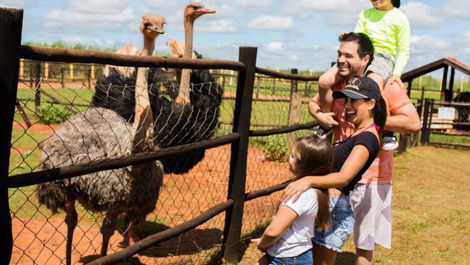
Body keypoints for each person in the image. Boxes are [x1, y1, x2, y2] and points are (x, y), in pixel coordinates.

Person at [284, 32, 421, 265]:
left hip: (373, 175)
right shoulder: (339, 84)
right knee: (326, 235)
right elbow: (314, 102)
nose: (340, 60)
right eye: (339, 54)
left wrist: (368, 120)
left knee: (364, 243)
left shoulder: (386, 86)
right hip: (338, 173)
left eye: (348, 55)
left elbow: (413, 122)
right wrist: (320, 115)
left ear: (366, 59)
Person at [317, 0, 410, 151]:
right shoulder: (365, 14)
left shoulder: (400, 18)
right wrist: (349, 37)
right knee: (324, 81)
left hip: (383, 57)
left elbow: (403, 50)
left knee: (375, 85)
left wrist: (396, 73)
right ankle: (327, 122)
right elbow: (359, 38)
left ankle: (388, 130)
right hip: (361, 52)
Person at [252, 134, 333, 265]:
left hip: (286, 258)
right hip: (301, 253)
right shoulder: (315, 191)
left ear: (303, 164)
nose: (288, 158)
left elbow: (273, 231)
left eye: (292, 156)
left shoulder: (297, 194)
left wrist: (263, 243)